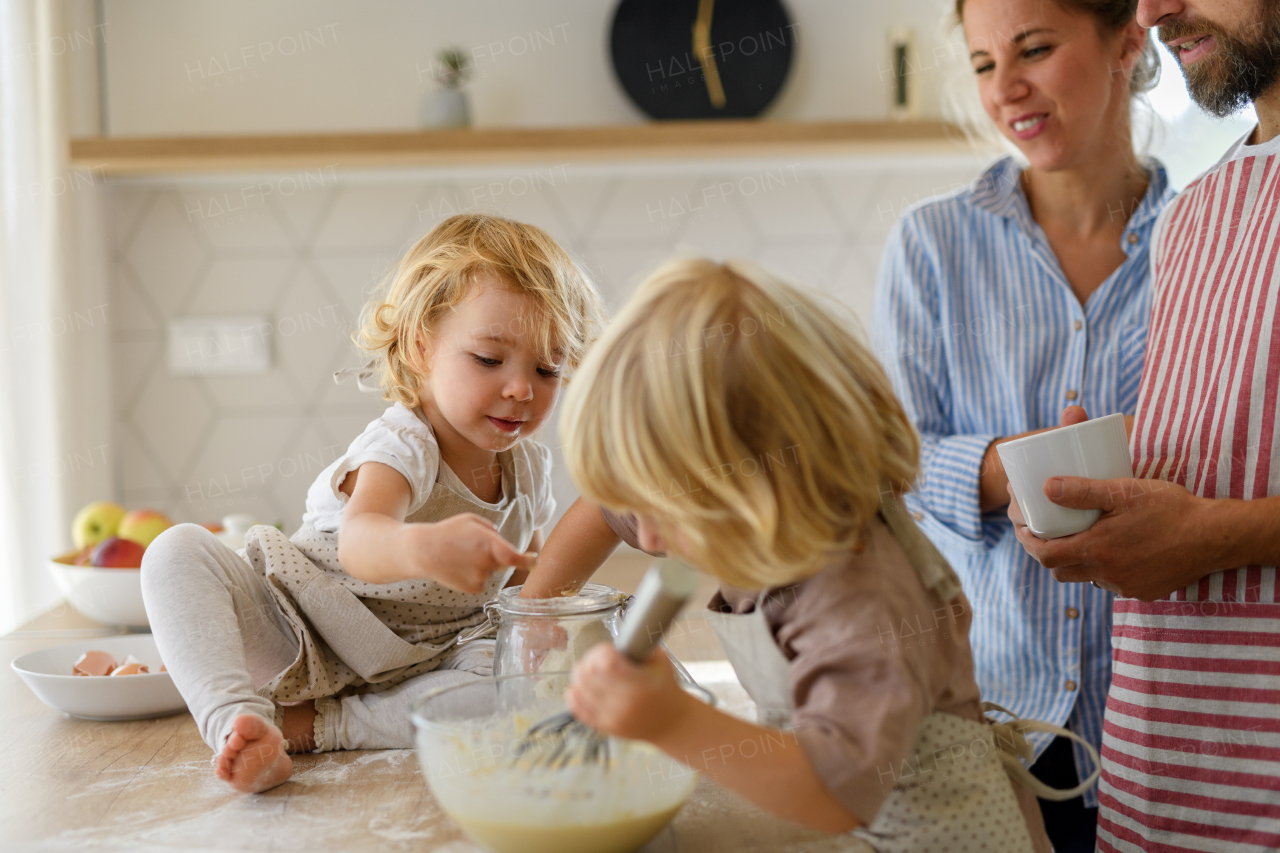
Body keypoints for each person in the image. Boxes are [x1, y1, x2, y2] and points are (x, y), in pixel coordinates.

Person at [531, 257, 1098, 851]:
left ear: (759, 480)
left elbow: (834, 795)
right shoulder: (758, 512)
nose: (646, 539)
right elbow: (602, 510)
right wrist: (534, 612)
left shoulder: (862, 595)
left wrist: (671, 720)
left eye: (664, 512)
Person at [140, 213, 605, 792]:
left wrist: (558, 639)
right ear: (420, 347)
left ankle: (321, 725)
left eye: (547, 367)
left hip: (430, 659)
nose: (522, 389)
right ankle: (237, 715)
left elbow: (525, 589)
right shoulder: (404, 443)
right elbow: (362, 542)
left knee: (509, 693)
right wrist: (421, 547)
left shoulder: (529, 465)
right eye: (489, 360)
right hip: (299, 630)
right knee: (176, 551)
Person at [871, 1, 1174, 848]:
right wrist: (1000, 473)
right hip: (991, 714)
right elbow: (886, 463)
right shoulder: (931, 244)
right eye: (979, 64)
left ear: (1127, 39)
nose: (1005, 88)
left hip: (1162, 716)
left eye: (1034, 49)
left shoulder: (1201, 239)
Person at [1006, 0, 1280, 847]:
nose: (1155, 9)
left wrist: (1218, 536)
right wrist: (1095, 498)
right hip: (1157, 781)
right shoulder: (1193, 216)